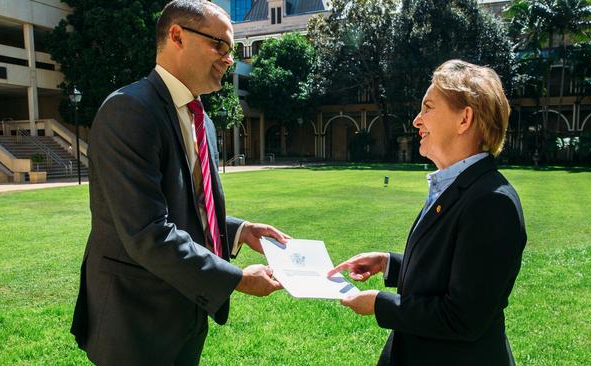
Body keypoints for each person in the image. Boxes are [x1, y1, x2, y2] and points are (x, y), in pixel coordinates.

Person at [70, 1, 289, 364]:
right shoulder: (128, 110)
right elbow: (147, 231)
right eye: (220, 45)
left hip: (184, 313)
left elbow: (189, 205)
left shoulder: (203, 121)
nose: (229, 59)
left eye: (231, 50)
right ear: (176, 36)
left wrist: (239, 231)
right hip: (135, 321)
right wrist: (236, 279)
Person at [328, 60, 527, 365]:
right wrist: (388, 264)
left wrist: (380, 304)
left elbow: (462, 318)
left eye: (429, 108)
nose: (417, 121)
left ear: (465, 119)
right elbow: (448, 268)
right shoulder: (458, 186)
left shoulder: (491, 201)